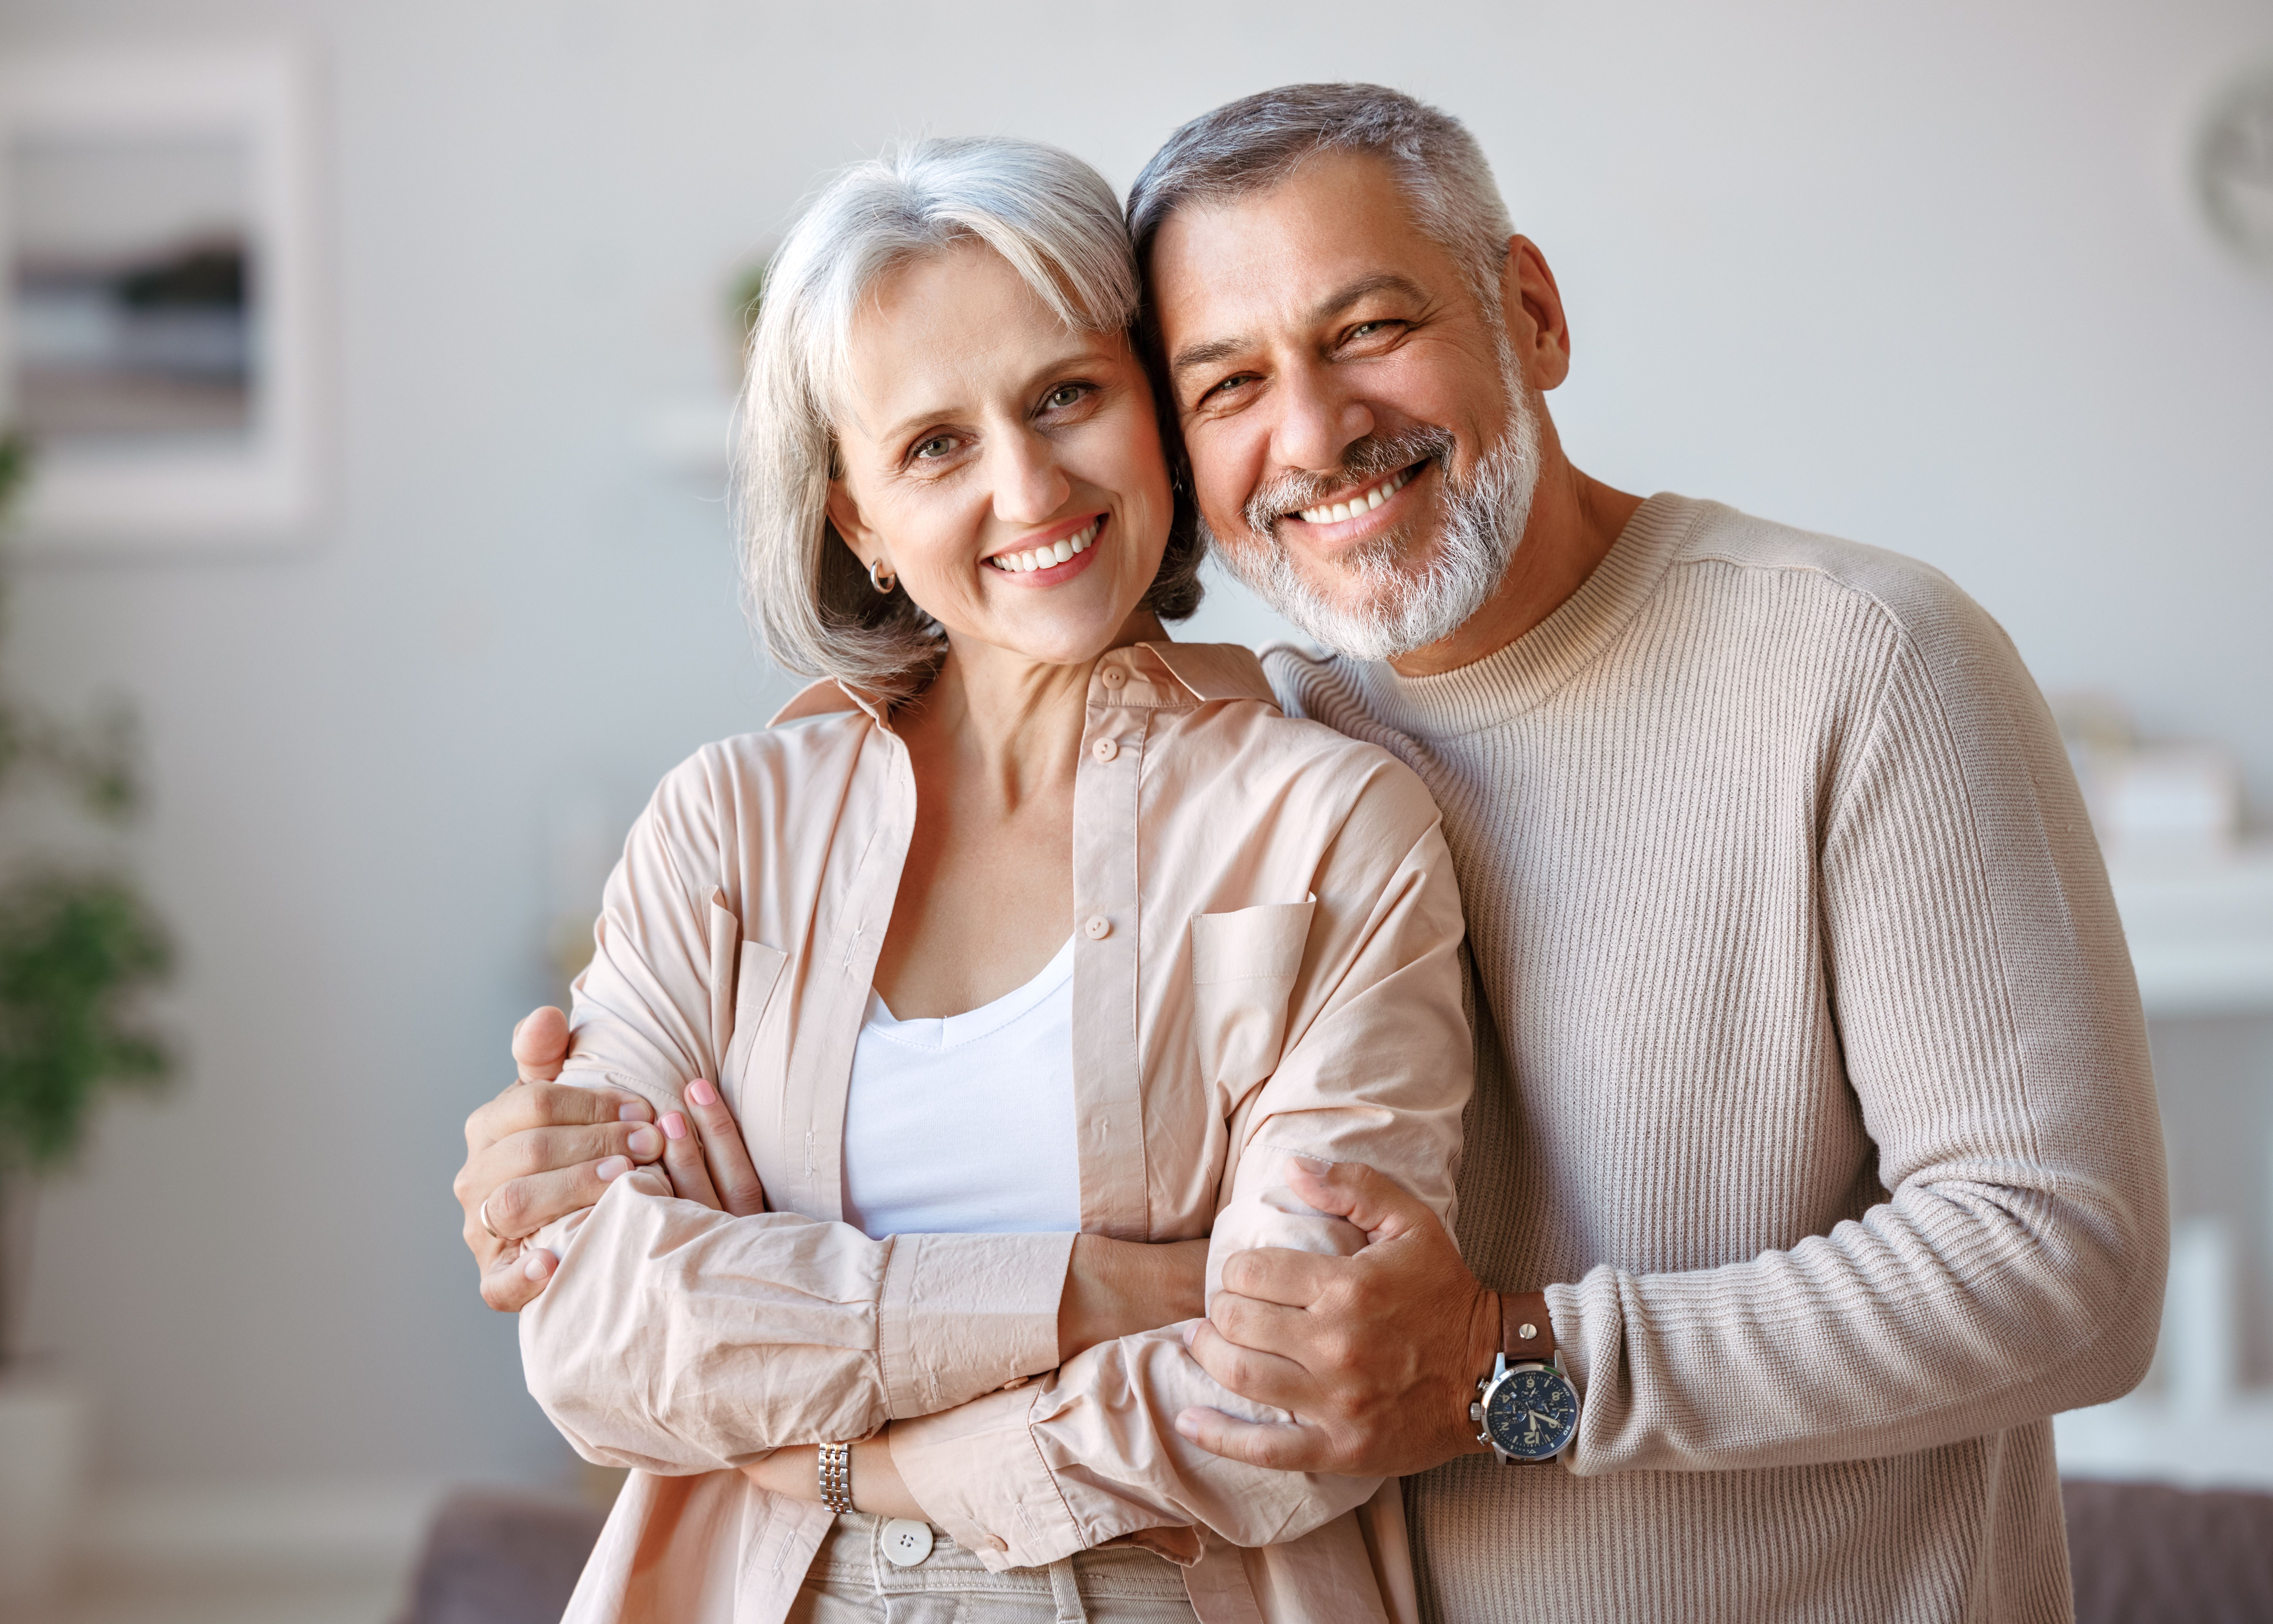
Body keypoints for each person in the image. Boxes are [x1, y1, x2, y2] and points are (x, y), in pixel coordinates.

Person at [461, 85, 2171, 1622]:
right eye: (1228, 382)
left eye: (1370, 331)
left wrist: (1515, 1367)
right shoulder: (1289, 725)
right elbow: (616, 1313)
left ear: (1533, 311)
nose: (1316, 428)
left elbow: (2062, 1263)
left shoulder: (1854, 658)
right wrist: (606, 1216)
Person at [470, 135, 1477, 1624]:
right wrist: (1099, 1292)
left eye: (1064, 395)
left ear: (1150, 409)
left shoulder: (1333, 823)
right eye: (933, 444)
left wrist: (841, 1453)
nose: (1025, 484)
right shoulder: (726, 827)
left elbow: (1296, 1390)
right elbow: (599, 1338)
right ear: (857, 521)